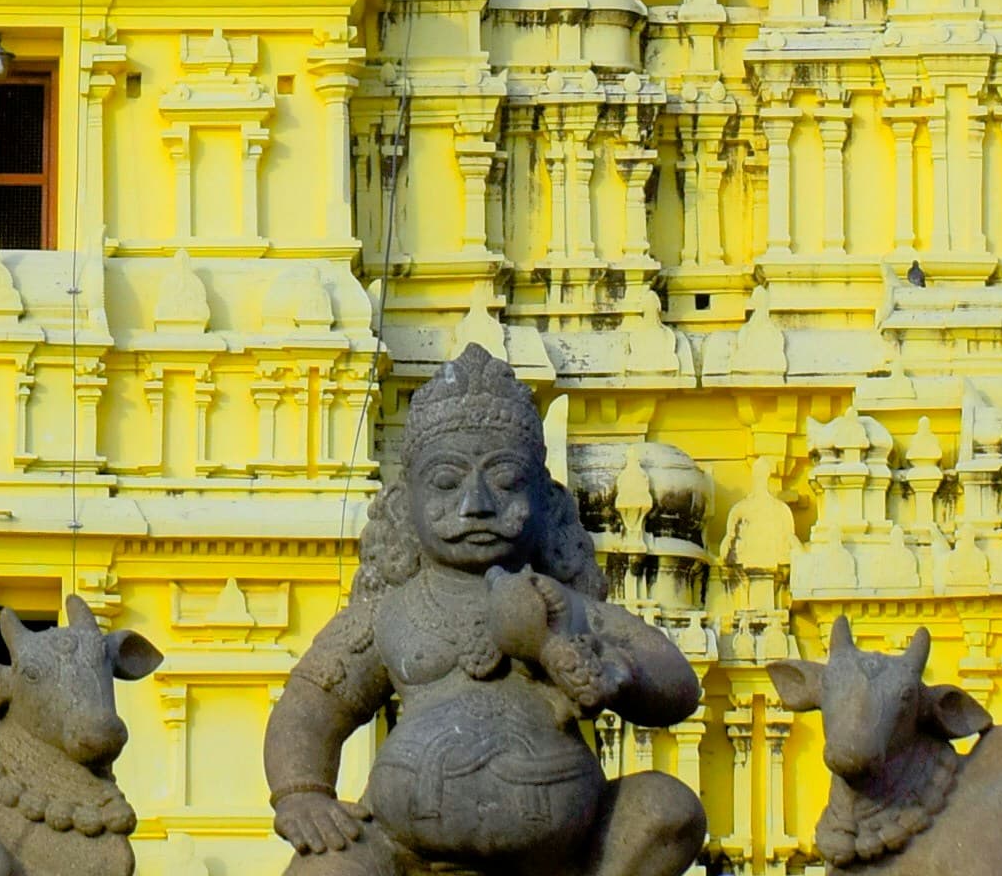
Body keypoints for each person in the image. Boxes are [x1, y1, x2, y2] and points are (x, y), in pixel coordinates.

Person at [265, 346, 703, 876]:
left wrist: (618, 673)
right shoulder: (390, 614)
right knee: (322, 871)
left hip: (568, 854)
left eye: (506, 481)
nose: (477, 503)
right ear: (407, 502)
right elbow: (310, 706)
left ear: (544, 498)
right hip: (404, 855)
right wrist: (302, 793)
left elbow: (678, 686)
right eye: (447, 484)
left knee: (668, 808)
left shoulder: (564, 608)